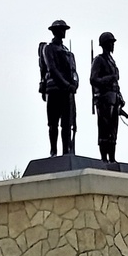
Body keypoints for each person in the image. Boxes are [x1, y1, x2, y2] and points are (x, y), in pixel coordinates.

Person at [41, 20, 79, 155]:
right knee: (53, 123)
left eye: (64, 29)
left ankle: (66, 151)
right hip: (55, 89)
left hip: (67, 92)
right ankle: (53, 150)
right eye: (61, 29)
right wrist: (66, 84)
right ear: (55, 31)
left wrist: (75, 84)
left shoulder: (68, 52)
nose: (63, 32)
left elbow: (74, 71)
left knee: (67, 124)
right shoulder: (49, 48)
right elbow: (52, 68)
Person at [90, 32, 124, 163]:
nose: (112, 45)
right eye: (110, 43)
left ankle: (112, 157)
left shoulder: (111, 61)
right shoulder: (99, 60)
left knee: (113, 129)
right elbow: (94, 79)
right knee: (104, 129)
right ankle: (104, 157)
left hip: (114, 98)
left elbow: (116, 83)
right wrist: (110, 78)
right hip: (104, 99)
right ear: (105, 44)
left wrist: (120, 96)